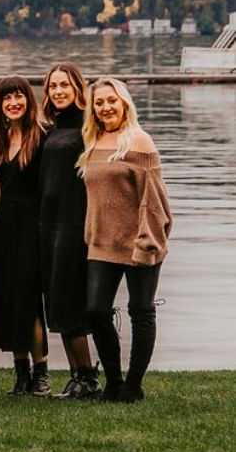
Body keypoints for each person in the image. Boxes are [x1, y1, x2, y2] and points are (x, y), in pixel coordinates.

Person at [79, 78, 172, 402]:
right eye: (99, 103)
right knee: (95, 310)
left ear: (124, 104)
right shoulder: (93, 140)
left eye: (111, 101)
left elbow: (155, 200)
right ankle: (114, 381)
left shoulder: (140, 143)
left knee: (141, 310)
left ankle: (133, 385)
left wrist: (148, 242)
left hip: (139, 242)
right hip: (102, 243)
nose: (105, 107)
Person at [39, 62, 100, 400]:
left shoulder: (88, 130)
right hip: (49, 226)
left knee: (71, 302)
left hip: (74, 225)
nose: (58, 91)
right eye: (52, 86)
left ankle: (89, 377)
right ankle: (78, 375)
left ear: (78, 88)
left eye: (64, 85)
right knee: (57, 303)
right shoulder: (52, 128)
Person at [0, 76, 51, 396]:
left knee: (29, 302)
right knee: (8, 301)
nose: (13, 103)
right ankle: (20, 373)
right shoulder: (0, 140)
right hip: (2, 230)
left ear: (29, 100)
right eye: (6, 98)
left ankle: (41, 373)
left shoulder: (42, 137)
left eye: (19, 97)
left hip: (32, 229)